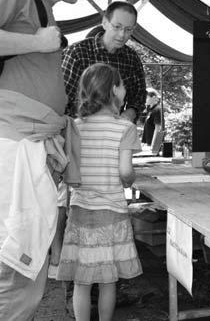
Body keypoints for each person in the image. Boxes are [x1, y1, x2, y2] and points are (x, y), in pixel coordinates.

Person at [0, 0, 91, 320]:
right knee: (17, 253)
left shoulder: (42, 7)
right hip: (15, 141)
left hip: (31, 142)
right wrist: (35, 41)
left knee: (27, 253)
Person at [56, 63, 142, 321]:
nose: (125, 88)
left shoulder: (74, 127)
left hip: (80, 213)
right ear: (114, 90)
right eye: (122, 84)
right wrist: (129, 180)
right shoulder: (125, 129)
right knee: (108, 281)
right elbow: (125, 171)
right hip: (112, 213)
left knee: (82, 281)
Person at [62, 0, 147, 123]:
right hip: (77, 130)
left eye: (128, 29)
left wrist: (129, 114)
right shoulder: (78, 53)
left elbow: (138, 97)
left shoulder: (131, 59)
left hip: (113, 133)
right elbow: (61, 99)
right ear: (105, 23)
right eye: (117, 27)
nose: (122, 34)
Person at [141, 88, 163, 154]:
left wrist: (153, 147)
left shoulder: (157, 109)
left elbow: (158, 128)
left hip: (153, 148)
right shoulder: (150, 109)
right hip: (148, 145)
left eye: (146, 97)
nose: (144, 99)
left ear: (153, 97)